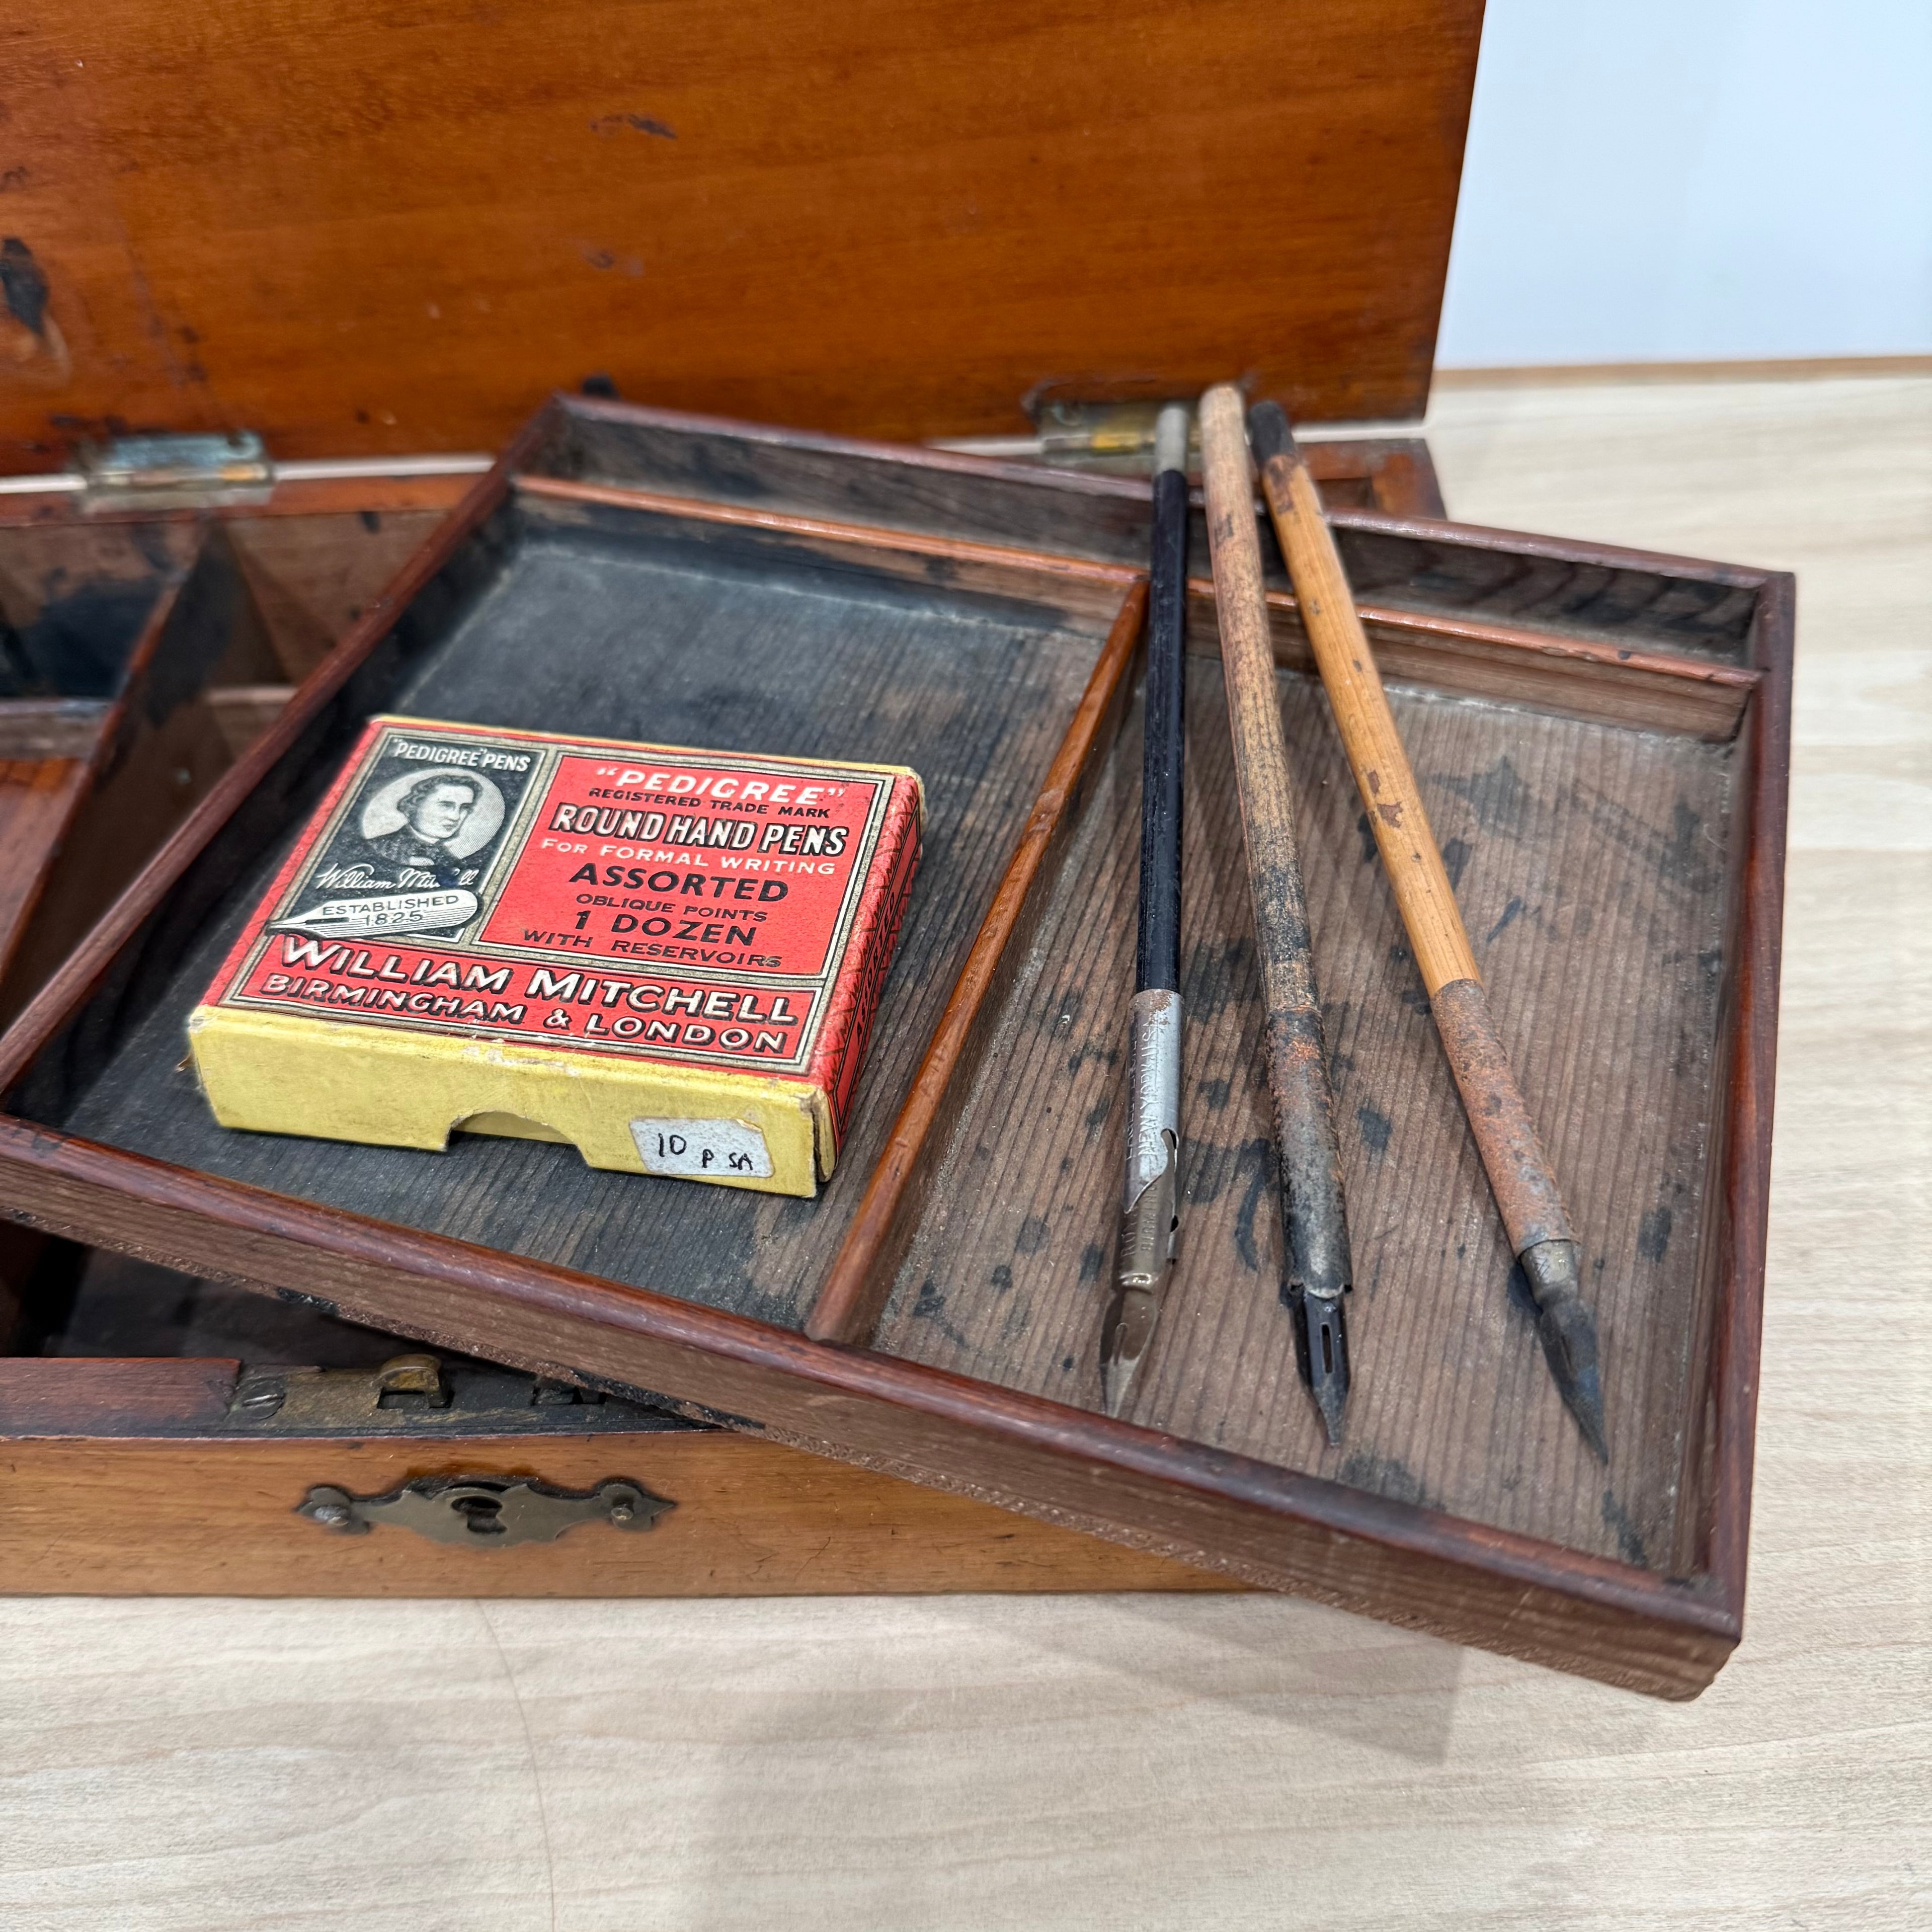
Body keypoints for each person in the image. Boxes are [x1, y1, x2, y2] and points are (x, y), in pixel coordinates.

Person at [359, 772, 486, 888]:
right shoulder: (374, 848)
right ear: (414, 806)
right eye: (445, 806)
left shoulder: (454, 862)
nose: (455, 817)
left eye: (465, 808)